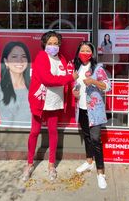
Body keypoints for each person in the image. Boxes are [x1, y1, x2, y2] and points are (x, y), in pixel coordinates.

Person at [22, 31, 78, 182]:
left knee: (53, 131)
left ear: (60, 45)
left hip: (54, 102)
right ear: (44, 44)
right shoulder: (41, 57)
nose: (53, 46)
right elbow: (47, 79)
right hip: (41, 102)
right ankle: (29, 164)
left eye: (56, 43)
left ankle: (51, 164)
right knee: (34, 131)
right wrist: (69, 78)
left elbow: (69, 74)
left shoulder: (62, 58)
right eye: (50, 43)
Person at [72, 41, 111, 189]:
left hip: (94, 110)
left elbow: (108, 86)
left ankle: (101, 173)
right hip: (81, 108)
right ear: (78, 53)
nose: (85, 53)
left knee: (95, 140)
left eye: (88, 50)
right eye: (82, 50)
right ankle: (89, 161)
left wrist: (93, 81)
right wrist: (74, 92)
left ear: (92, 54)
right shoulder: (77, 68)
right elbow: (77, 87)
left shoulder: (98, 69)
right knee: (87, 137)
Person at [0, 41, 31, 126]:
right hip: (6, 136)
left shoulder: (34, 87)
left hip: (31, 136)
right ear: (6, 61)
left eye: (23, 56)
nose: (20, 61)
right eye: (14, 57)